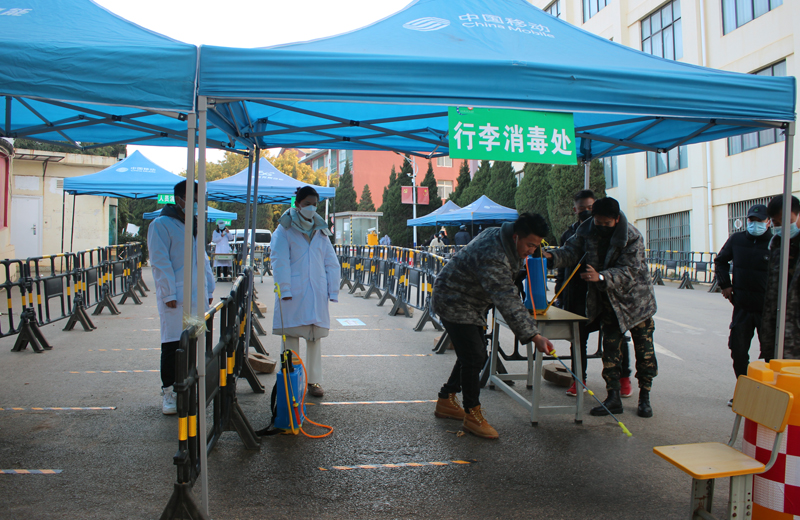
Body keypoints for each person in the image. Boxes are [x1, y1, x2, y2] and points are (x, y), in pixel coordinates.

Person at [432, 213, 555, 439]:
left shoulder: (502, 236)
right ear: (516, 236)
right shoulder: (494, 254)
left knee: (472, 352)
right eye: (529, 245)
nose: (531, 251)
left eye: (536, 246)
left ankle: (446, 399)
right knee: (475, 356)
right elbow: (507, 299)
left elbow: (507, 289)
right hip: (453, 299)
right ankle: (472, 415)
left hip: (470, 301)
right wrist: (535, 336)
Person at [543, 197, 658, 418]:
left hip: (637, 303)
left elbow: (629, 270)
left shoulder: (632, 237)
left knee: (645, 352)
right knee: (610, 350)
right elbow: (571, 252)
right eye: (598, 222)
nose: (602, 227)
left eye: (607, 224)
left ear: (616, 219)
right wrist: (550, 257)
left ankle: (645, 396)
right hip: (609, 301)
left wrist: (601, 276)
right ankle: (613, 397)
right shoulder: (587, 230)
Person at [552, 190, 635, 398]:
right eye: (583, 209)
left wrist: (600, 277)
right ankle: (578, 379)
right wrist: (559, 290)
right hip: (578, 295)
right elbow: (566, 258)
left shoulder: (623, 233)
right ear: (575, 210)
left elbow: (629, 270)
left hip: (607, 292)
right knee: (577, 339)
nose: (587, 212)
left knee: (616, 338)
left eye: (591, 208)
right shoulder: (574, 233)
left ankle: (623, 378)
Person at [148, 180, 215, 415]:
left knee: (192, 342)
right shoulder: (161, 225)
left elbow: (202, 259)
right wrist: (168, 294)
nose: (199, 204)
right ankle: (169, 392)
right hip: (175, 296)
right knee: (172, 345)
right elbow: (159, 261)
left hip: (197, 296)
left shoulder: (194, 224)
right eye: (195, 200)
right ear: (180, 199)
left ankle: (187, 386)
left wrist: (209, 287)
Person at [271, 186, 340, 398]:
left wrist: (333, 289)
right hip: (292, 292)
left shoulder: (321, 230)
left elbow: (331, 261)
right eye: (307, 203)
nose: (311, 207)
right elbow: (279, 261)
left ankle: (314, 381)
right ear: (297, 204)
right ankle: (291, 378)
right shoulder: (284, 229)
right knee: (291, 336)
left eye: (314, 204)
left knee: (314, 337)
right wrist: (285, 290)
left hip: (315, 291)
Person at [714, 203, 771, 405]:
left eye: (760, 221)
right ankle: (745, 389)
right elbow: (720, 261)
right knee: (738, 351)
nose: (755, 224)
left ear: (769, 221)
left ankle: (768, 394)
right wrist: (725, 285)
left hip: (768, 310)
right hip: (742, 307)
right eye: (752, 220)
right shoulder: (737, 240)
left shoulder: (776, 242)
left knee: (770, 355)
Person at [761, 195, 800, 361]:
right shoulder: (777, 245)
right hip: (778, 333)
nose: (781, 227)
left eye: (786, 220)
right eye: (776, 223)